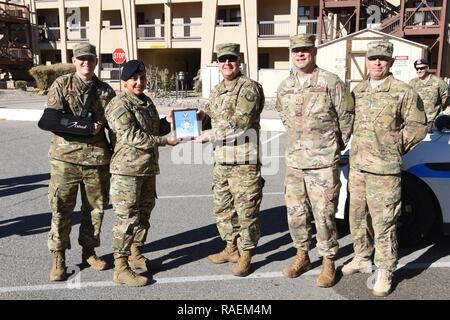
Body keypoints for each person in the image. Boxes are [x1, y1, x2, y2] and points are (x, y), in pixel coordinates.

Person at [341, 40, 427, 297]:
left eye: (382, 58)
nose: (377, 62)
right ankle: (361, 257)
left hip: (385, 171)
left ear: (390, 62)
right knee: (357, 217)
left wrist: (394, 147)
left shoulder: (403, 91)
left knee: (384, 222)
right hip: (358, 167)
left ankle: (386, 268)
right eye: (372, 58)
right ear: (366, 61)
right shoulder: (359, 90)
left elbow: (417, 126)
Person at [275, 34, 354, 287]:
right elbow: (284, 116)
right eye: (296, 51)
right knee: (296, 214)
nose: (300, 54)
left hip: (322, 164)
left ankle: (329, 262)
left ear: (314, 51)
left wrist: (333, 147)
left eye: (305, 50)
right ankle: (302, 255)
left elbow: (346, 117)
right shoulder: (285, 86)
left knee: (324, 215)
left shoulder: (331, 82)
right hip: (295, 162)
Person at [41, 43, 116, 281]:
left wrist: (117, 153)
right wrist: (84, 126)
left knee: (95, 210)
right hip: (65, 161)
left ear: (96, 62)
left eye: (90, 59)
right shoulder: (62, 84)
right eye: (81, 59)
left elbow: (114, 126)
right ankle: (59, 257)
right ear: (74, 61)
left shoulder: (105, 91)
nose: (86, 63)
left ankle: (89, 252)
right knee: (61, 209)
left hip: (96, 161)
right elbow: (49, 120)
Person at [105, 60, 179, 287]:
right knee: (126, 220)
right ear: (125, 81)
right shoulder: (118, 105)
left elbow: (151, 129)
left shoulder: (146, 102)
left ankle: (137, 254)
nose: (139, 82)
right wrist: (165, 141)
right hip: (126, 172)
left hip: (146, 170)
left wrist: (166, 123)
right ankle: (121, 268)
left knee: (144, 216)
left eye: (142, 78)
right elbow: (132, 136)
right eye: (134, 79)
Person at [195, 43, 265, 277]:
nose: (227, 63)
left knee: (246, 211)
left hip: (244, 162)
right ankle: (231, 247)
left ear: (239, 61)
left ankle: (246, 254)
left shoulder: (249, 88)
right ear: (217, 63)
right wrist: (198, 118)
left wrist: (210, 134)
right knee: (223, 210)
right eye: (223, 59)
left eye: (231, 59)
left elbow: (241, 123)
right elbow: (210, 116)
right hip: (222, 161)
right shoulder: (216, 90)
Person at [409, 59, 449, 129]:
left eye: (422, 68)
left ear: (427, 68)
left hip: (434, 124)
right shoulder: (412, 83)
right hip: (417, 123)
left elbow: (447, 104)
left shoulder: (439, 83)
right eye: (417, 68)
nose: (419, 70)